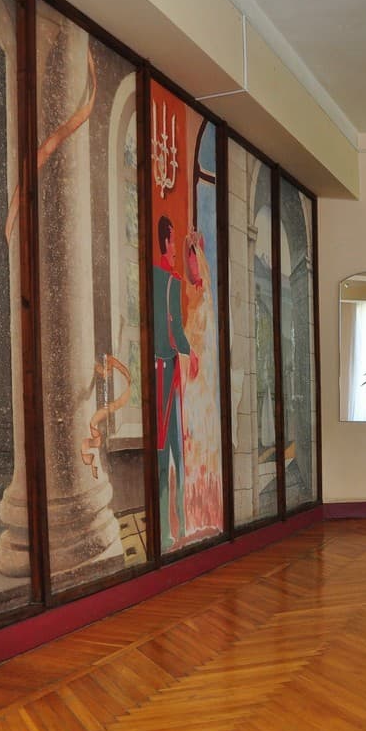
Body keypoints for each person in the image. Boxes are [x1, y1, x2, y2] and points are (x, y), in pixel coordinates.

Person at [153, 216, 199, 545]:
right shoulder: (170, 281)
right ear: (167, 242)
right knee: (175, 452)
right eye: (173, 240)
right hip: (168, 371)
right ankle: (179, 527)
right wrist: (190, 353)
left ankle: (166, 531)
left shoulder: (154, 276)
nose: (174, 248)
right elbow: (175, 329)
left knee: (162, 452)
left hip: (157, 373)